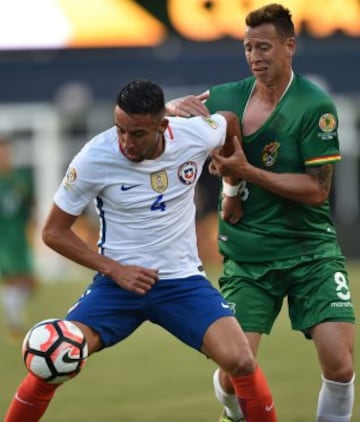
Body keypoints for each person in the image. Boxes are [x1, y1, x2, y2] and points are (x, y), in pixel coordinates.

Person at [4, 79, 277, 422]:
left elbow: (228, 123)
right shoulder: (95, 156)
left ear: (163, 126)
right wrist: (115, 269)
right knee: (54, 359)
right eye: (120, 130)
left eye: (137, 134)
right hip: (116, 287)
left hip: (182, 282)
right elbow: (53, 232)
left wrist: (233, 186)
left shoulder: (192, 135)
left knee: (241, 360)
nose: (125, 143)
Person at [166, 4, 356, 422]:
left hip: (311, 253)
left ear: (290, 47)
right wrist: (176, 109)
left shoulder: (314, 105)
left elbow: (316, 191)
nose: (255, 56)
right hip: (249, 256)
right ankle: (233, 409)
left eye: (264, 47)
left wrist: (245, 172)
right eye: (249, 48)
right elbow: (174, 114)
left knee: (340, 367)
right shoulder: (227, 96)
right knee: (236, 373)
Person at [0, 136, 37, 340]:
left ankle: (12, 310)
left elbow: (29, 206)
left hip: (20, 238)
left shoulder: (20, 178)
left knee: (31, 283)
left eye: (5, 152)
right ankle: (15, 323)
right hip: (3, 240)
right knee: (12, 280)